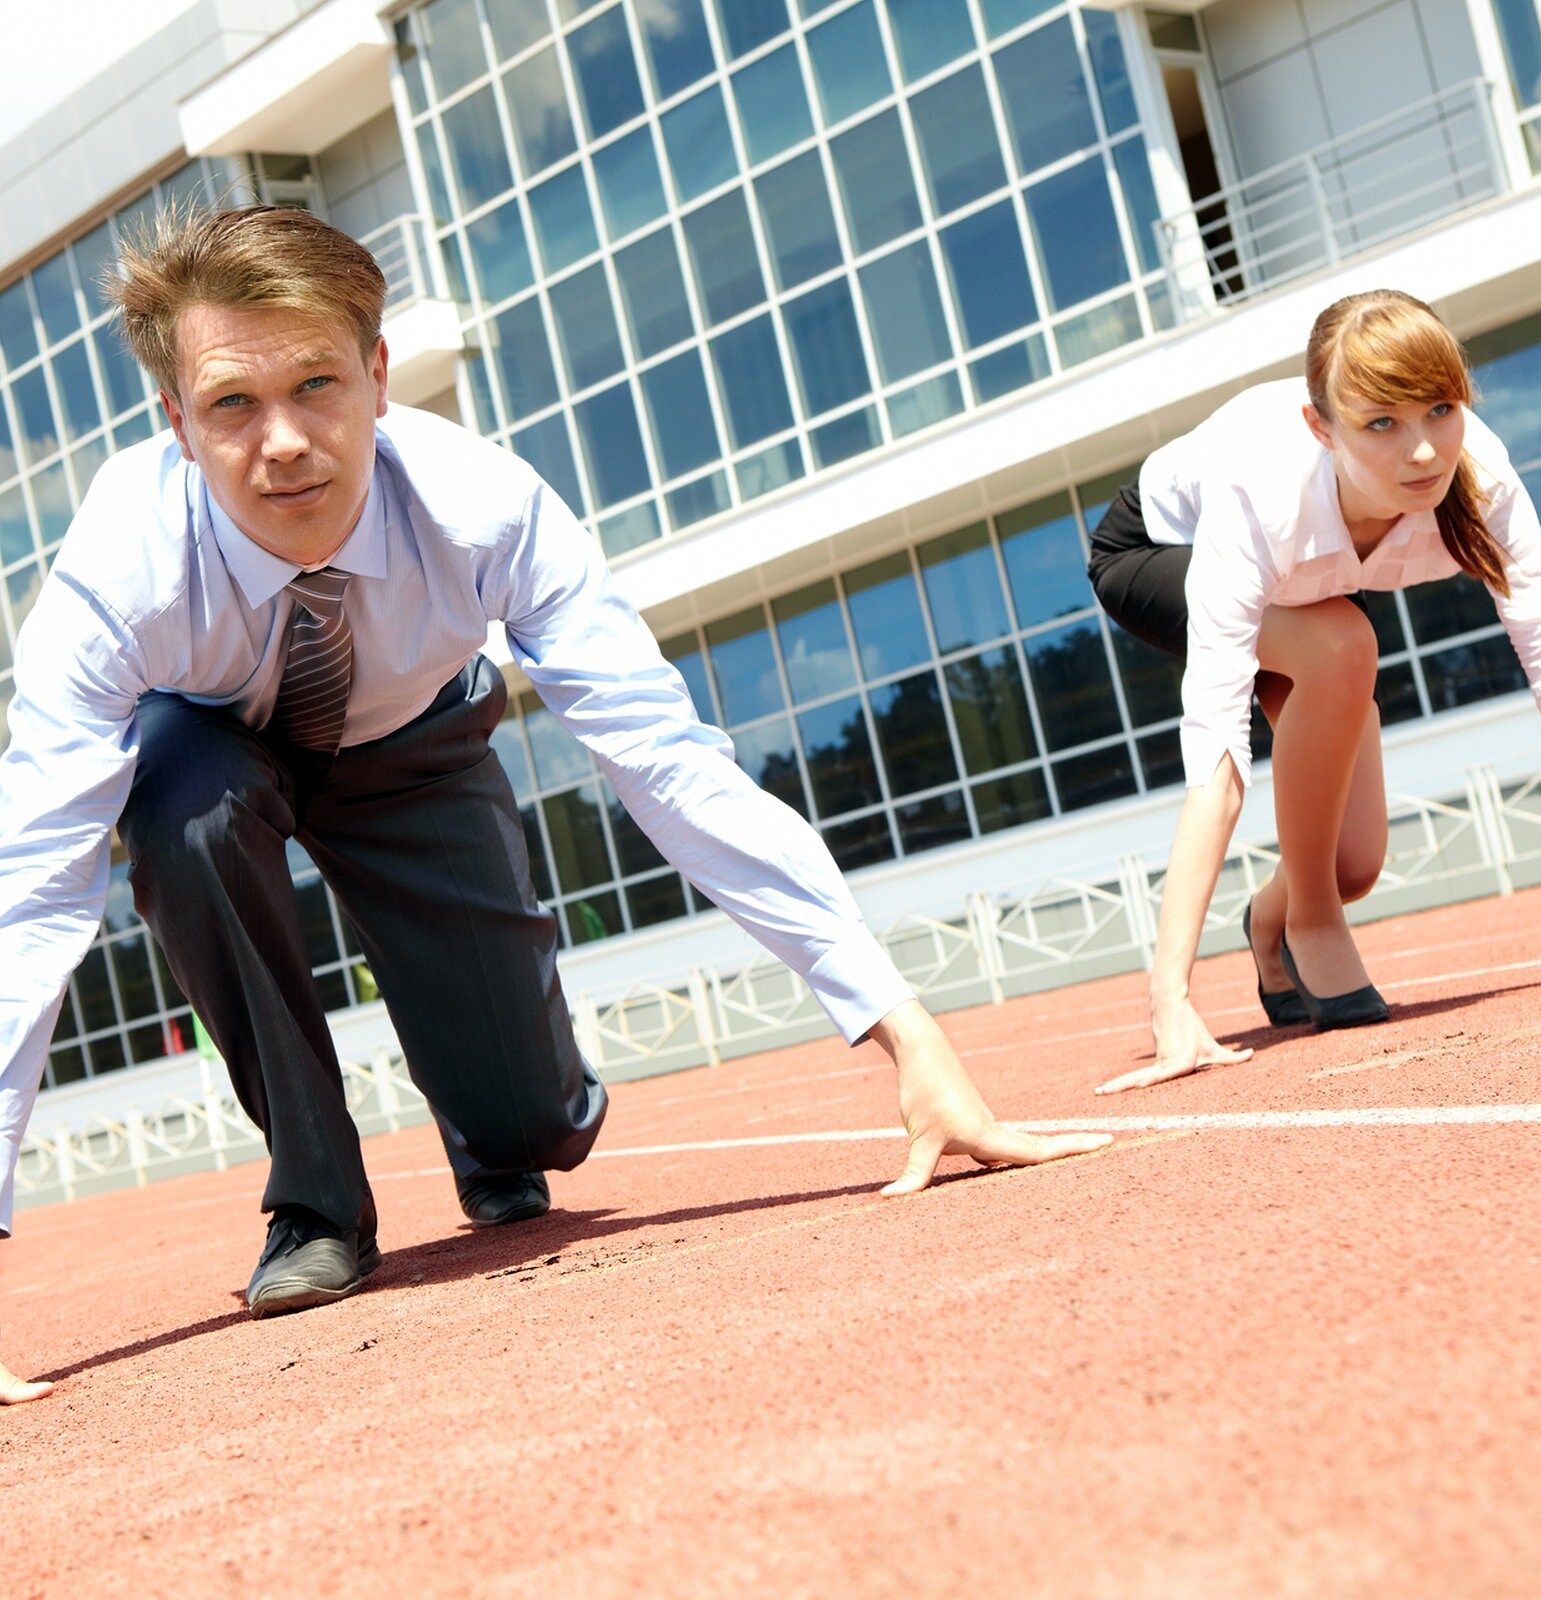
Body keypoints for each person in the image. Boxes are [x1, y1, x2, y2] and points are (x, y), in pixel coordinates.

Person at [0, 207, 1106, 1380]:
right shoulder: (116, 581)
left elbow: (663, 759)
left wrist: (904, 1031)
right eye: (231, 404)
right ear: (175, 422)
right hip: (212, 742)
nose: (284, 442)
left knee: (534, 1131)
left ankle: (505, 1126)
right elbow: (31, 892)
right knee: (184, 806)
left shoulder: (488, 507)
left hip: (412, 741)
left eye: (318, 383)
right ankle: (318, 1208)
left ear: (378, 376)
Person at [1088, 288, 1541, 1096]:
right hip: (1159, 551)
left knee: (1350, 860)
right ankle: (1313, 923)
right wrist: (1170, 1000)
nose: (1425, 451)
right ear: (1321, 427)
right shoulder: (1260, 493)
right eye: (1382, 423)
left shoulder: (1480, 480)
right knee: (1341, 642)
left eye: (1440, 408)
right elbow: (1218, 754)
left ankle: (1273, 920)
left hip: (1317, 581)